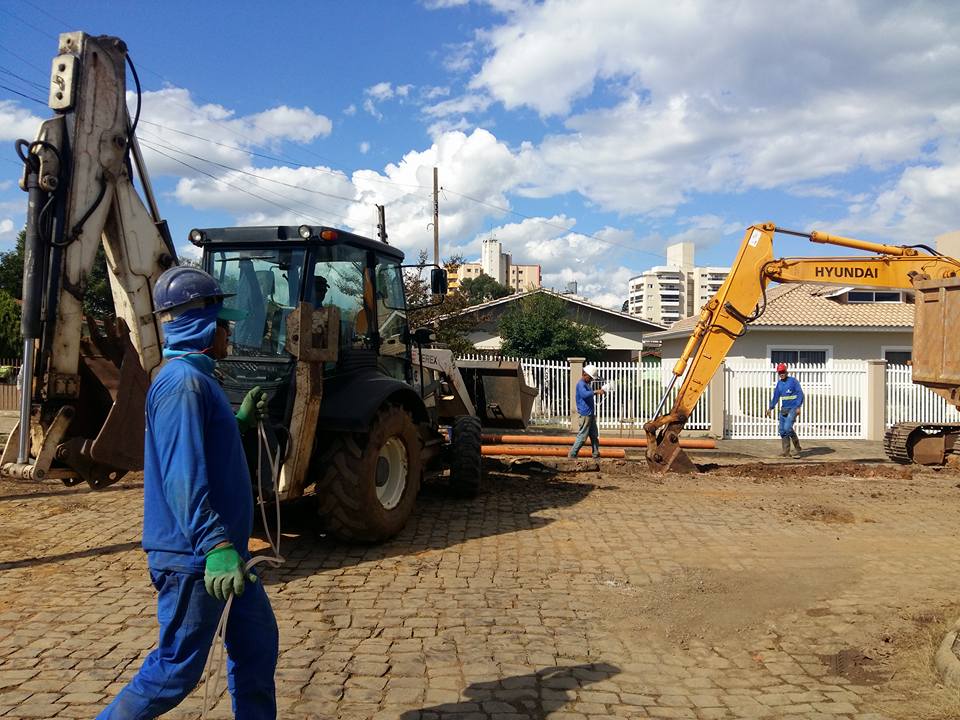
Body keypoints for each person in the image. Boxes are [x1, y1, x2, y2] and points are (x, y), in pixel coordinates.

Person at [97, 266, 278, 719]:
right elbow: (182, 474)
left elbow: (200, 450)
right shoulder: (181, 383)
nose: (229, 331)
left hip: (225, 554)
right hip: (196, 559)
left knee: (256, 647)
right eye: (224, 322)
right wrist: (214, 544)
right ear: (203, 324)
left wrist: (236, 423)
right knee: (174, 670)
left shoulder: (198, 379)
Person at [765, 362, 804, 458]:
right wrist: (770, 407)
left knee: (787, 428)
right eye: (779, 372)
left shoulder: (793, 381)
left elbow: (800, 394)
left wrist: (798, 406)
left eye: (783, 372)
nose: (781, 374)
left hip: (793, 408)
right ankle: (786, 452)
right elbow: (776, 397)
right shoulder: (779, 384)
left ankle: (797, 448)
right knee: (782, 430)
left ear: (786, 372)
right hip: (784, 409)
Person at [568, 363, 606, 459]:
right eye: (590, 378)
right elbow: (585, 395)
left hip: (590, 414)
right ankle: (572, 455)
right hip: (585, 414)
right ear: (585, 374)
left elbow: (588, 394)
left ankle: (596, 455)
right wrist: (596, 391)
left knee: (594, 435)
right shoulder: (581, 384)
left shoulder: (586, 384)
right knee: (582, 437)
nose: (592, 380)